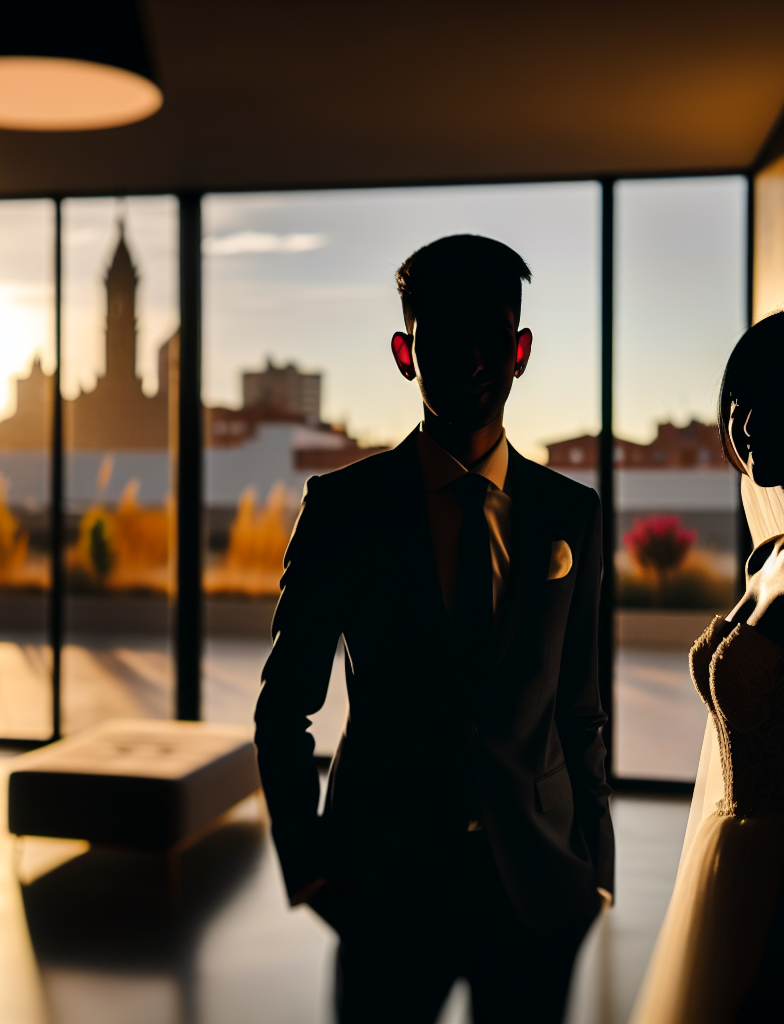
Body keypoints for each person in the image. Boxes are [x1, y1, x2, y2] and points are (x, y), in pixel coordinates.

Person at [254, 234, 614, 1024]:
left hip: (536, 886)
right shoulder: (342, 510)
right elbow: (284, 707)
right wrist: (308, 864)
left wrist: (598, 869)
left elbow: (580, 708)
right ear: (404, 352)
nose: (471, 356)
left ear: (520, 351)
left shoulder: (572, 515)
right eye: (442, 335)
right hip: (383, 882)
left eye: (491, 334)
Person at [629, 304, 784, 1024]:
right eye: (737, 402)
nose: (745, 422)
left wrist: (783, 963)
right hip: (731, 850)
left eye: (772, 400)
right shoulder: (769, 557)